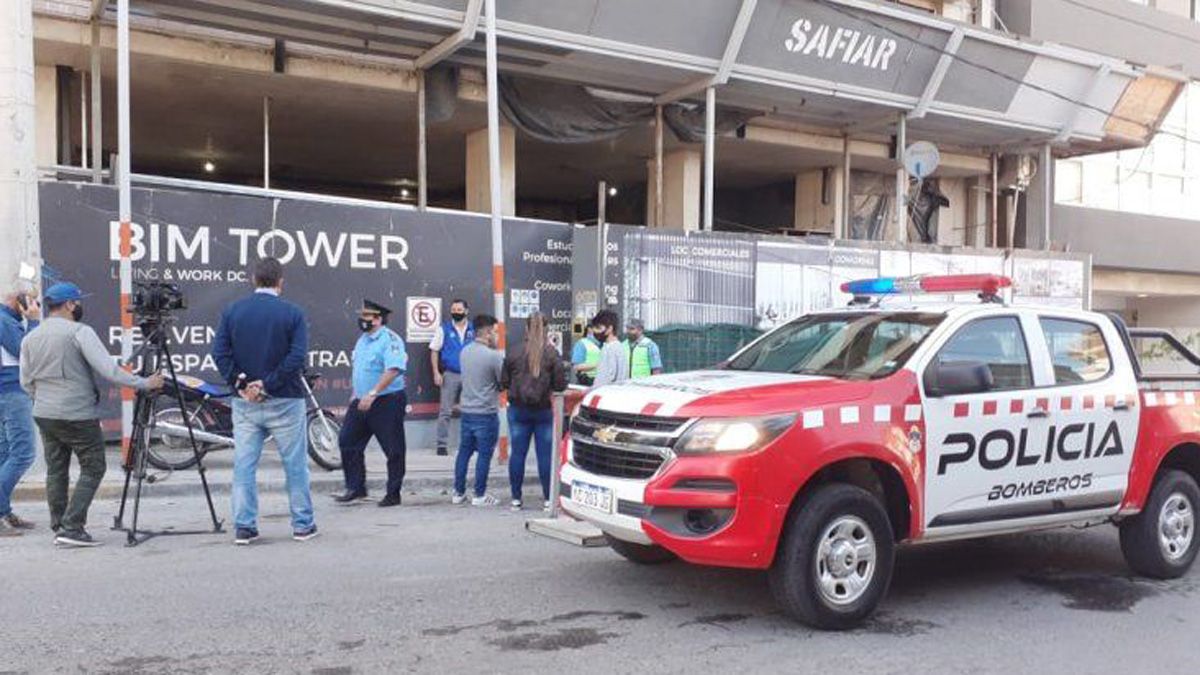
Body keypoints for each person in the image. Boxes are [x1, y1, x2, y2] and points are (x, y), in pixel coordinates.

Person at [19, 282, 163, 547]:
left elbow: (25, 381)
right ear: (70, 305)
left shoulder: (31, 337)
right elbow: (109, 371)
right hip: (76, 413)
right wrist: (145, 383)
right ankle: (72, 527)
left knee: (56, 470)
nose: (80, 306)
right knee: (94, 465)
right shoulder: (79, 332)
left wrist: (43, 400)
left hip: (44, 411)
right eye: (78, 302)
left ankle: (60, 524)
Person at [211, 258, 317, 546]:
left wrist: (243, 384)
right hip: (285, 400)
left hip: (245, 403)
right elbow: (296, 358)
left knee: (244, 465)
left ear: (253, 279)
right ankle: (302, 525)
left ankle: (244, 527)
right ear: (280, 282)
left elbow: (219, 353)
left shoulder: (233, 311)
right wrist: (267, 384)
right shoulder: (293, 313)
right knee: (295, 466)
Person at [332, 299, 408, 508]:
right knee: (348, 441)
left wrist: (373, 393)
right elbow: (361, 369)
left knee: (393, 449)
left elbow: (393, 370)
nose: (362, 320)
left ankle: (393, 493)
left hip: (386, 401)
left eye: (367, 316)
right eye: (362, 316)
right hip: (361, 400)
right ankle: (356, 488)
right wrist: (357, 393)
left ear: (378, 319)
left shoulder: (391, 340)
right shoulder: (363, 339)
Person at [501, 312, 567, 511]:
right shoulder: (551, 353)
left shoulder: (513, 352)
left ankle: (516, 499)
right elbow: (560, 385)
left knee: (517, 454)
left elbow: (504, 382)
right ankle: (548, 499)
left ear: (526, 329)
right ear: (547, 330)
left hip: (518, 410)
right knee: (545, 456)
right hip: (543, 411)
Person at [0, 288, 41, 536]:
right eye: (32, 300)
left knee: (5, 455)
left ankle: (3, 511)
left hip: (8, 393)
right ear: (20, 302)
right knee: (23, 453)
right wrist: (34, 321)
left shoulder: (9, 320)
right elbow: (27, 353)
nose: (35, 305)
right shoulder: (4, 321)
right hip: (12, 392)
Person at [452, 314, 504, 507]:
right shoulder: (493, 356)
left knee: (464, 452)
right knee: (484, 454)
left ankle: (458, 492)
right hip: (486, 412)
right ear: (488, 332)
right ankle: (479, 494)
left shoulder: (464, 352)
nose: (497, 336)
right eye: (496, 332)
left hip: (467, 411)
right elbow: (502, 382)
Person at [430, 299, 473, 456]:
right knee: (445, 411)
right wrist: (436, 372)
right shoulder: (444, 328)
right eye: (453, 309)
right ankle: (442, 445)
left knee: (470, 410)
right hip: (450, 374)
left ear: (466, 311)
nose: (456, 312)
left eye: (459, 309)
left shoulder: (474, 329)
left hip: (471, 375)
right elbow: (434, 350)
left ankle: (468, 444)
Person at [590, 310, 628, 388]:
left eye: (598, 328)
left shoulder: (609, 348)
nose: (595, 331)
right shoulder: (619, 346)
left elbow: (605, 378)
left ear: (610, 328)